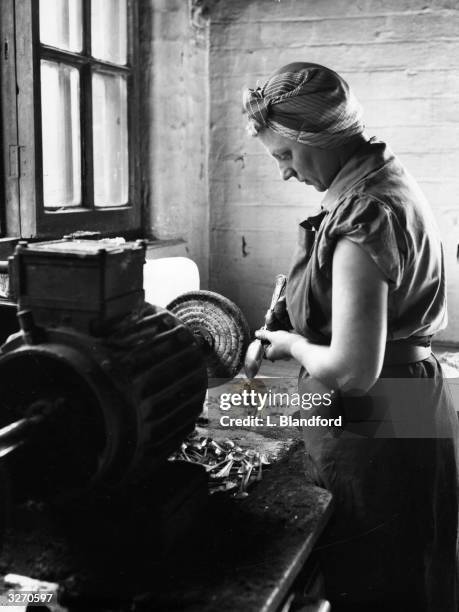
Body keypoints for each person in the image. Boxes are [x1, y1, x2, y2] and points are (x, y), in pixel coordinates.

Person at [243, 62, 459, 611]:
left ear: (318, 137)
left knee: (370, 570)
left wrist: (288, 346)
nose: (285, 173)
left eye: (286, 156)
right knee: (403, 555)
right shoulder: (381, 180)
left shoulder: (365, 211)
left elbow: (351, 371)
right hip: (406, 394)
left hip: (376, 408)